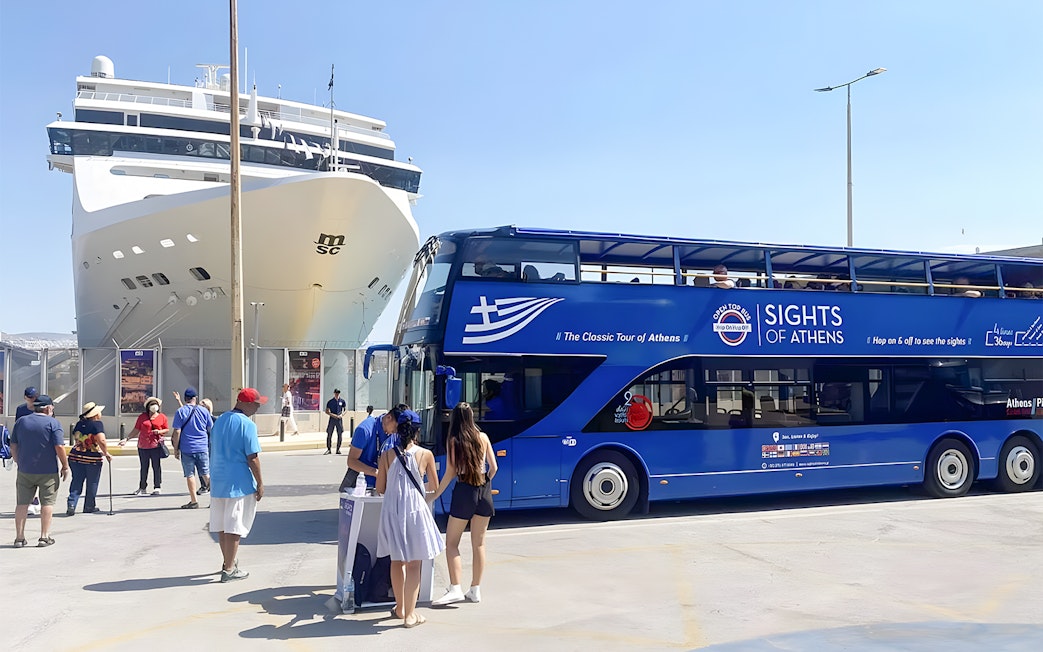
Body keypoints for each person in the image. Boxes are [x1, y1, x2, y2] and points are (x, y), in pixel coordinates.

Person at [376, 410, 444, 627]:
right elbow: (434, 486)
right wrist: (421, 495)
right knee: (414, 563)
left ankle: (401, 607)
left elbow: (380, 488)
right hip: (415, 510)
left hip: (392, 510)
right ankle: (410, 615)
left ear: (397, 429)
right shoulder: (426, 455)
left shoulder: (386, 455)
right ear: (417, 430)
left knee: (397, 561)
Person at [429, 403, 498, 605]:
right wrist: (484, 481)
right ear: (471, 417)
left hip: (464, 489)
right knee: (479, 543)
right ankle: (475, 589)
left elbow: (450, 472)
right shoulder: (483, 437)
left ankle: (455, 587)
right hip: (483, 489)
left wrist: (434, 494)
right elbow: (494, 467)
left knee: (451, 543)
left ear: (455, 419)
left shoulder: (454, 440)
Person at [210, 387, 266, 582]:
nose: (258, 408)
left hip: (218, 480)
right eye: (257, 404)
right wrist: (260, 483)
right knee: (235, 525)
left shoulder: (220, 420)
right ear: (247, 403)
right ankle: (229, 568)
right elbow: (253, 457)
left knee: (222, 524)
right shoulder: (247, 425)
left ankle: (227, 562)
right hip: (238, 482)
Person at [10, 395, 68, 547]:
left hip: (25, 470)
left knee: (22, 504)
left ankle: (19, 538)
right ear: (48, 408)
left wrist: (18, 461)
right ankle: (44, 536)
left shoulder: (21, 422)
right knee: (47, 503)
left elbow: (13, 445)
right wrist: (65, 465)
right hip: (48, 471)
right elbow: (59, 447)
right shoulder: (53, 423)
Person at [345, 404, 406, 491]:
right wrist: (376, 472)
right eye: (395, 428)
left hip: (387, 486)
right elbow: (351, 461)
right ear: (389, 417)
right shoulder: (364, 430)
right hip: (362, 486)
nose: (395, 432)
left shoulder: (395, 434)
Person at [66, 401, 112, 515]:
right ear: (95, 414)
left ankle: (72, 503)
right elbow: (101, 440)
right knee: (92, 482)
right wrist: (106, 453)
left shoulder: (78, 424)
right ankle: (89, 506)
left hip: (75, 456)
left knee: (76, 480)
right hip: (91, 458)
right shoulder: (97, 424)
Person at [171, 387, 214, 509]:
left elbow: (177, 431)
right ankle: (216, 499)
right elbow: (210, 428)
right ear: (195, 398)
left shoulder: (180, 412)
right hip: (202, 447)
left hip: (187, 448)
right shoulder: (204, 411)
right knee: (206, 474)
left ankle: (194, 501)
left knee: (190, 475)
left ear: (185, 399)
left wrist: (176, 449)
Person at [120, 396, 168, 496]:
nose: (154, 406)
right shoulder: (142, 417)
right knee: (144, 467)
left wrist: (159, 431)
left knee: (156, 466)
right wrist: (127, 439)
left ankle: (157, 487)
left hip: (155, 445)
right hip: (143, 446)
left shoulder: (162, 417)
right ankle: (142, 487)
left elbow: (166, 429)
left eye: (155, 404)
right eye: (151, 404)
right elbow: (136, 429)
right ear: (148, 407)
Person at [324, 389, 347, 455]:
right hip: (332, 419)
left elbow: (345, 409)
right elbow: (327, 411)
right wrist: (333, 415)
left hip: (339, 419)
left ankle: (338, 449)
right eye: (336, 393)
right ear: (334, 393)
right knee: (329, 433)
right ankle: (329, 449)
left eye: (338, 393)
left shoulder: (342, 401)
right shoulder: (330, 402)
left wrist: (342, 415)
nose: (337, 394)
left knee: (340, 434)